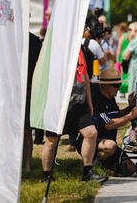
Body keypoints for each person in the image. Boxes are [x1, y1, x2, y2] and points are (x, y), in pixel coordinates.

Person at [42, 40, 107, 183]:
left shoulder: (80, 49)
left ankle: (87, 172)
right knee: (52, 140)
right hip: (59, 104)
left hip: (80, 102)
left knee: (91, 133)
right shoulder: (55, 49)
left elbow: (86, 77)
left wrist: (89, 102)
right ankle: (46, 175)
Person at [88, 68, 137, 170]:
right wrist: (131, 115)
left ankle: (109, 166)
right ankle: (95, 165)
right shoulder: (97, 100)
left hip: (110, 143)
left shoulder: (111, 98)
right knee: (110, 146)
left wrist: (130, 108)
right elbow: (109, 124)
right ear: (105, 85)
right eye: (116, 85)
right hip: (97, 142)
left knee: (131, 168)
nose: (119, 89)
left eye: (120, 85)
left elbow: (117, 115)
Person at [23, 33, 43, 172]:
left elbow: (40, 67)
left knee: (27, 131)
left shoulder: (34, 41)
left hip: (29, 89)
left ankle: (27, 165)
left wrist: (34, 88)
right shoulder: (7, 37)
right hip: (9, 90)